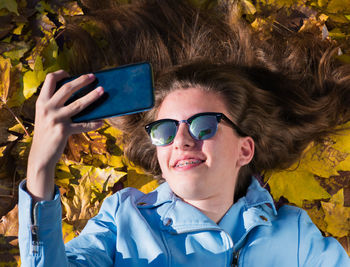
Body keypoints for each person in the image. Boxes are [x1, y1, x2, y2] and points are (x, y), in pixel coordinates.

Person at [18, 59, 350, 266]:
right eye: (165, 130)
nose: (182, 140)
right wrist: (40, 165)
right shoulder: (123, 221)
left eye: (204, 125)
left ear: (244, 150)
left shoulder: (293, 236)